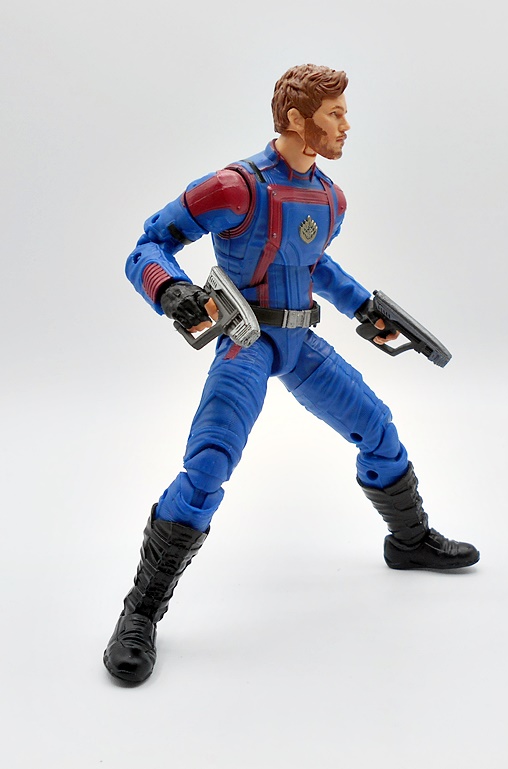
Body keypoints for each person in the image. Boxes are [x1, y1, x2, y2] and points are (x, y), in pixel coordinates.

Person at [104, 64, 479, 684]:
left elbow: (314, 265)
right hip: (245, 340)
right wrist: (169, 290)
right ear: (298, 119)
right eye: (336, 114)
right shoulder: (232, 188)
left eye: (345, 112)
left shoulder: (330, 198)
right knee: (209, 465)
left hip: (301, 340)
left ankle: (409, 540)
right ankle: (139, 613)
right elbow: (146, 246)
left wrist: (365, 308)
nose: (346, 125)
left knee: (377, 428)